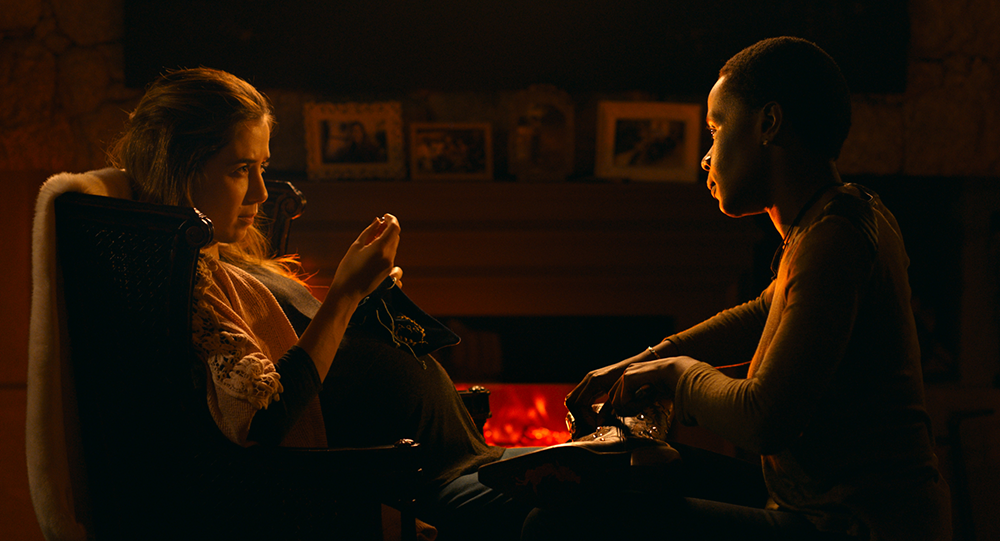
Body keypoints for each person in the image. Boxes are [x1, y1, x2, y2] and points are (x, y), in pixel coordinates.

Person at [526, 37, 952, 540]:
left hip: (853, 524)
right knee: (617, 479)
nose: (706, 158)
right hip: (815, 507)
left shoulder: (835, 239)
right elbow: (760, 313)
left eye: (716, 129)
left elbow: (763, 419)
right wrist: (643, 362)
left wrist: (676, 375)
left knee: (560, 523)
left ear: (769, 123)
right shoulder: (839, 217)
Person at [109, 67, 533, 541]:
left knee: (598, 471)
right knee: (591, 494)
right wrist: (345, 295)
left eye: (262, 167)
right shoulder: (190, 288)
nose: (261, 192)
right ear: (179, 170)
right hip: (417, 487)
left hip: (457, 462)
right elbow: (262, 419)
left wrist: (362, 298)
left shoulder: (223, 260)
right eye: (240, 170)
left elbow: (313, 350)